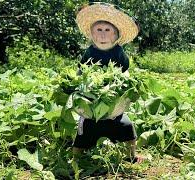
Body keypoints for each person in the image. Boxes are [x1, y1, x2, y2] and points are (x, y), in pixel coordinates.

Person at [73, 2, 144, 163]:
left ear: (116, 35)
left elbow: (125, 72)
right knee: (83, 131)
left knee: (126, 126)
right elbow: (80, 73)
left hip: (113, 103)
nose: (103, 35)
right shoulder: (89, 52)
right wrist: (78, 86)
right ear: (92, 34)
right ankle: (76, 159)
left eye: (107, 30)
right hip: (92, 104)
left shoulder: (119, 52)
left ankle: (131, 156)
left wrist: (127, 87)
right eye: (99, 30)